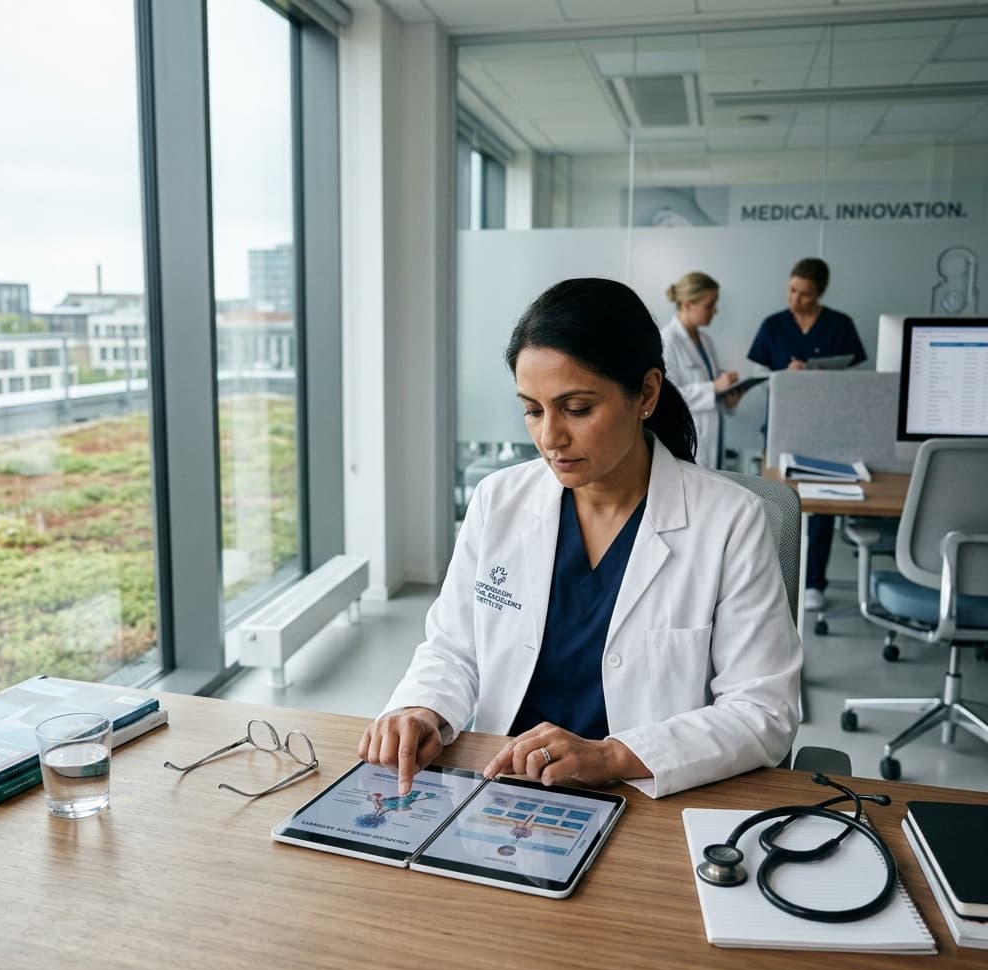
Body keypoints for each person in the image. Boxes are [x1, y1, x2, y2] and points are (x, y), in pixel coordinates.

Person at [358, 278, 802, 800]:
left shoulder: (730, 521)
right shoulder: (498, 500)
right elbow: (454, 649)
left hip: (642, 793)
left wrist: (612, 755)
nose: (550, 438)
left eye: (577, 408)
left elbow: (762, 710)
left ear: (647, 394)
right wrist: (420, 708)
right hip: (502, 786)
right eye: (533, 410)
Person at [747, 257, 866, 612]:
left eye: (805, 294)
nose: (795, 299)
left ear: (821, 293)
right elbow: (757, 377)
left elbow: (859, 382)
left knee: (821, 506)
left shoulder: (840, 325)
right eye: (792, 290)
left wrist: (820, 378)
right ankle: (770, 582)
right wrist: (787, 376)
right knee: (775, 503)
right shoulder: (774, 325)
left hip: (825, 430)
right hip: (780, 426)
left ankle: (814, 582)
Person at [660, 272, 741, 470]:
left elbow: (711, 393)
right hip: (689, 439)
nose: (715, 311)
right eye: (709, 305)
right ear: (688, 304)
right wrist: (714, 387)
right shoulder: (667, 341)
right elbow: (669, 396)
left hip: (714, 437)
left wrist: (727, 397)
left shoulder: (706, 341)